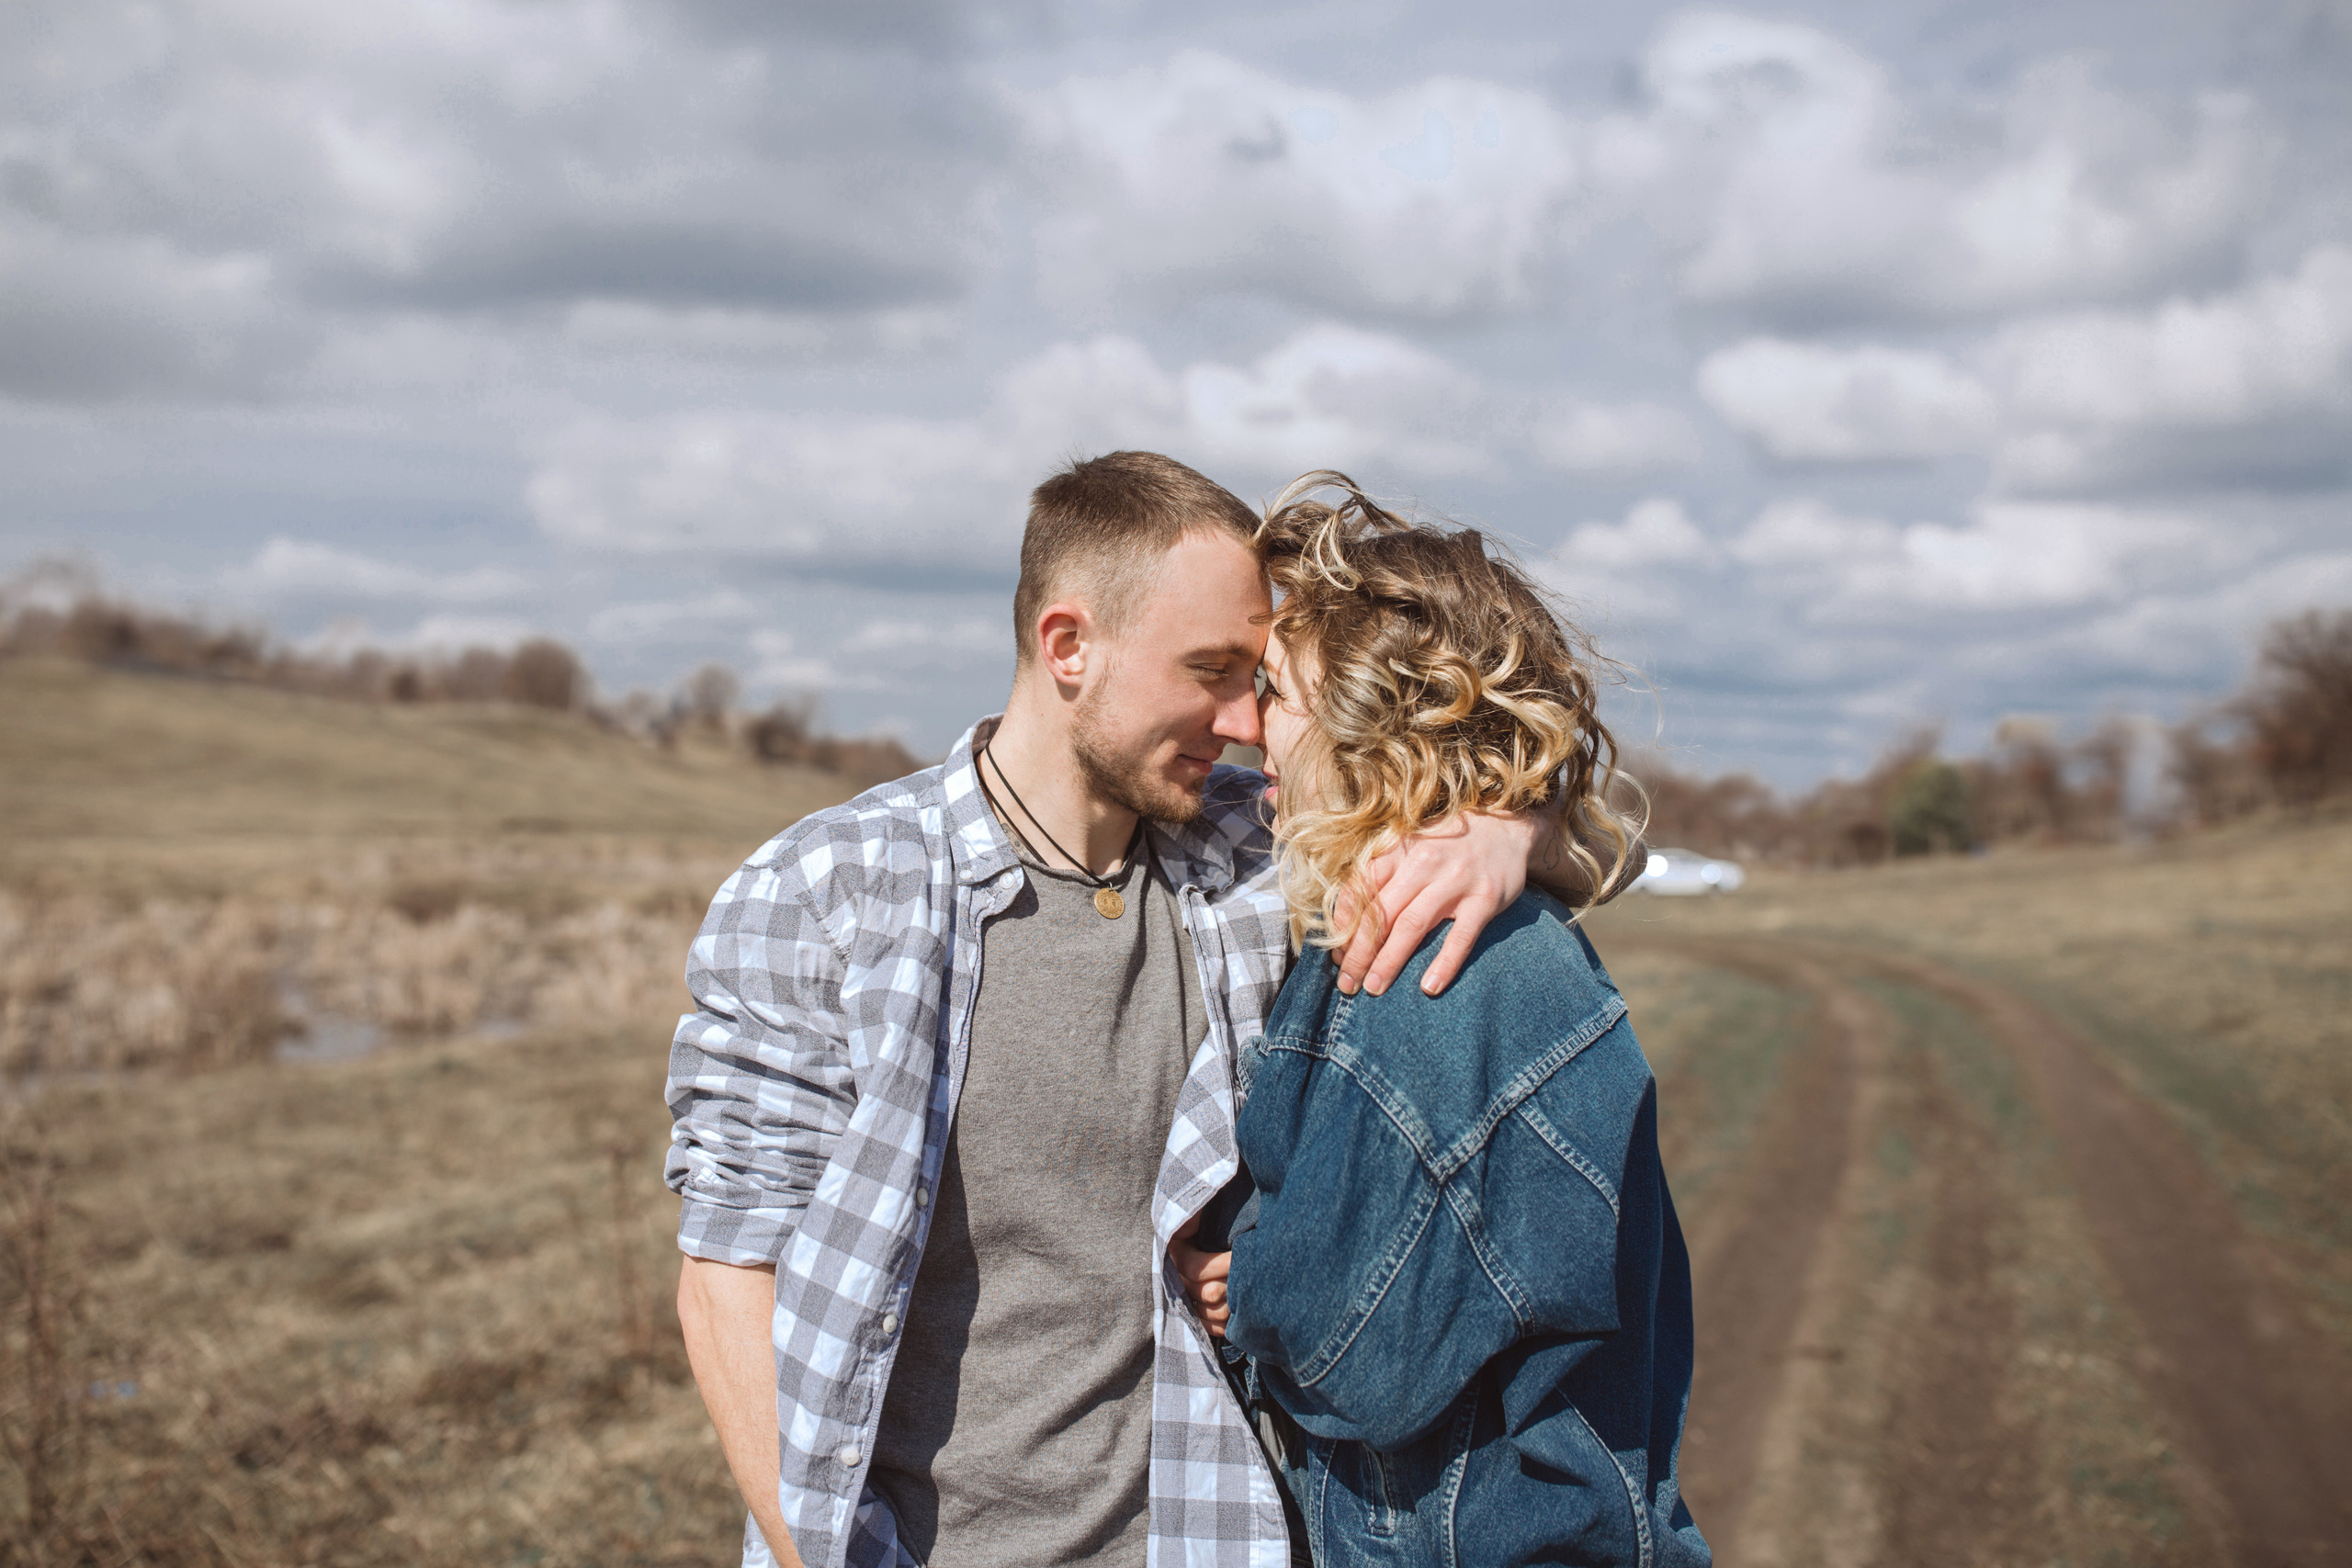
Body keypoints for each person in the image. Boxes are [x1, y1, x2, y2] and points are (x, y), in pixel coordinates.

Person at [665, 451, 1606, 1568]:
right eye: (1208, 671)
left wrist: (1508, 831)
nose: (1243, 720)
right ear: (1069, 646)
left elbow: (1571, 835)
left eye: (1254, 679)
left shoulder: (1262, 857)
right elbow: (730, 1268)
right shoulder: (826, 892)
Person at [1203, 473, 1709, 1566]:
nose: (1243, 725)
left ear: (1376, 719)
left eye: (1275, 694)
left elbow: (1352, 1355)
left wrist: (1242, 1281)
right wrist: (1512, 817)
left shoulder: (1439, 975)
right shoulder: (1431, 915)